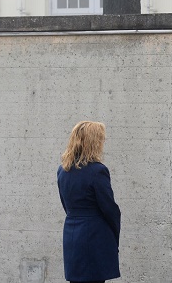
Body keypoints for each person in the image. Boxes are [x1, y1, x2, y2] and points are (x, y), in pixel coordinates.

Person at [57, 121, 121, 283]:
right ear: (93, 141)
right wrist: (114, 237)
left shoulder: (63, 170)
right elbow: (109, 209)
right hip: (94, 237)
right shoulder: (97, 171)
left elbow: (66, 205)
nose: (103, 142)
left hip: (72, 235)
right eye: (101, 138)